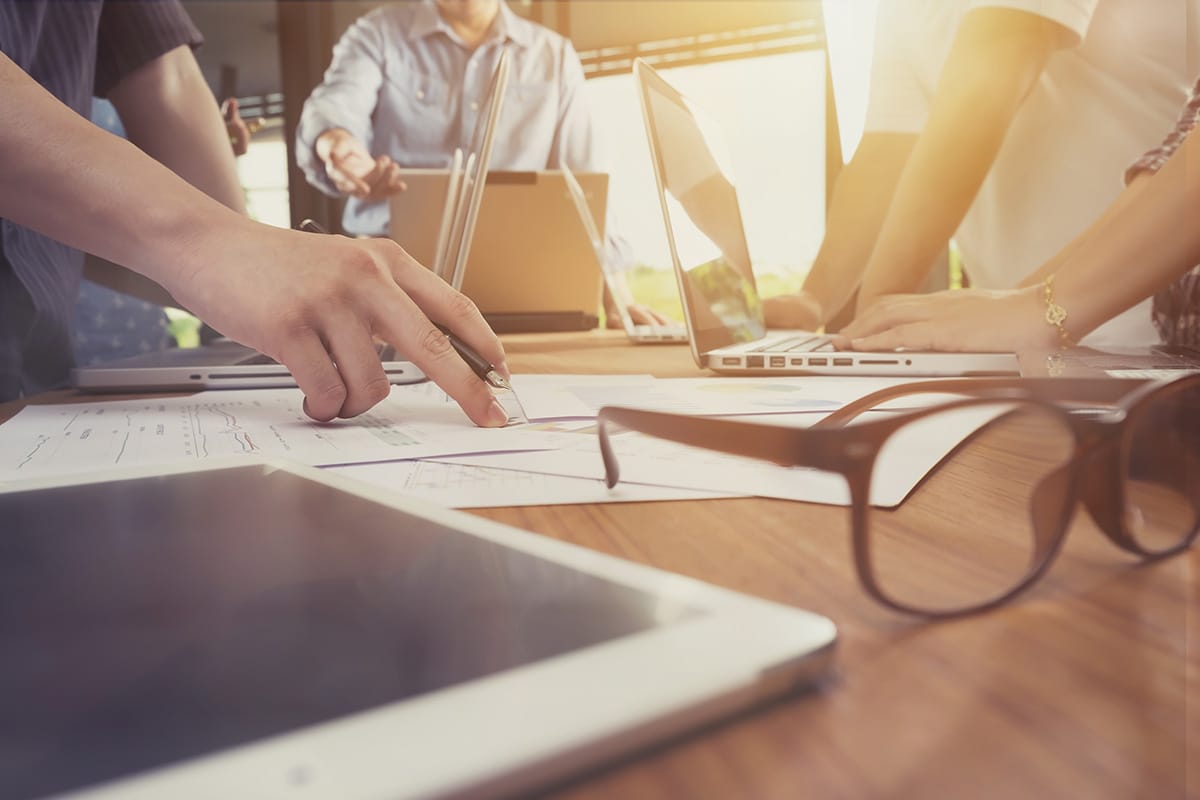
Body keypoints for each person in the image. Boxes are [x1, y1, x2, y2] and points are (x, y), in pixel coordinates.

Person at [0, 1, 509, 427]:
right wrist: (212, 244)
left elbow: (163, 73)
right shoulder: (378, 34)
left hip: (40, 377)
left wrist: (257, 273)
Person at [764, 0, 1193, 347]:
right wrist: (815, 299)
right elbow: (886, 150)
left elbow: (994, 68)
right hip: (1011, 319)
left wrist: (874, 317)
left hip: (1127, 309)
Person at [295, 0, 668, 327]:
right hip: (389, 288)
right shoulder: (378, 34)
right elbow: (336, 107)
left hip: (523, 290)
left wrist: (619, 298)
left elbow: (584, 183)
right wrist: (339, 148)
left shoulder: (554, 55)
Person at [838, 77, 1200, 353]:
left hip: (1125, 341)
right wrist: (1029, 302)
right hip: (1172, 375)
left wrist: (1046, 306)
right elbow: (1170, 164)